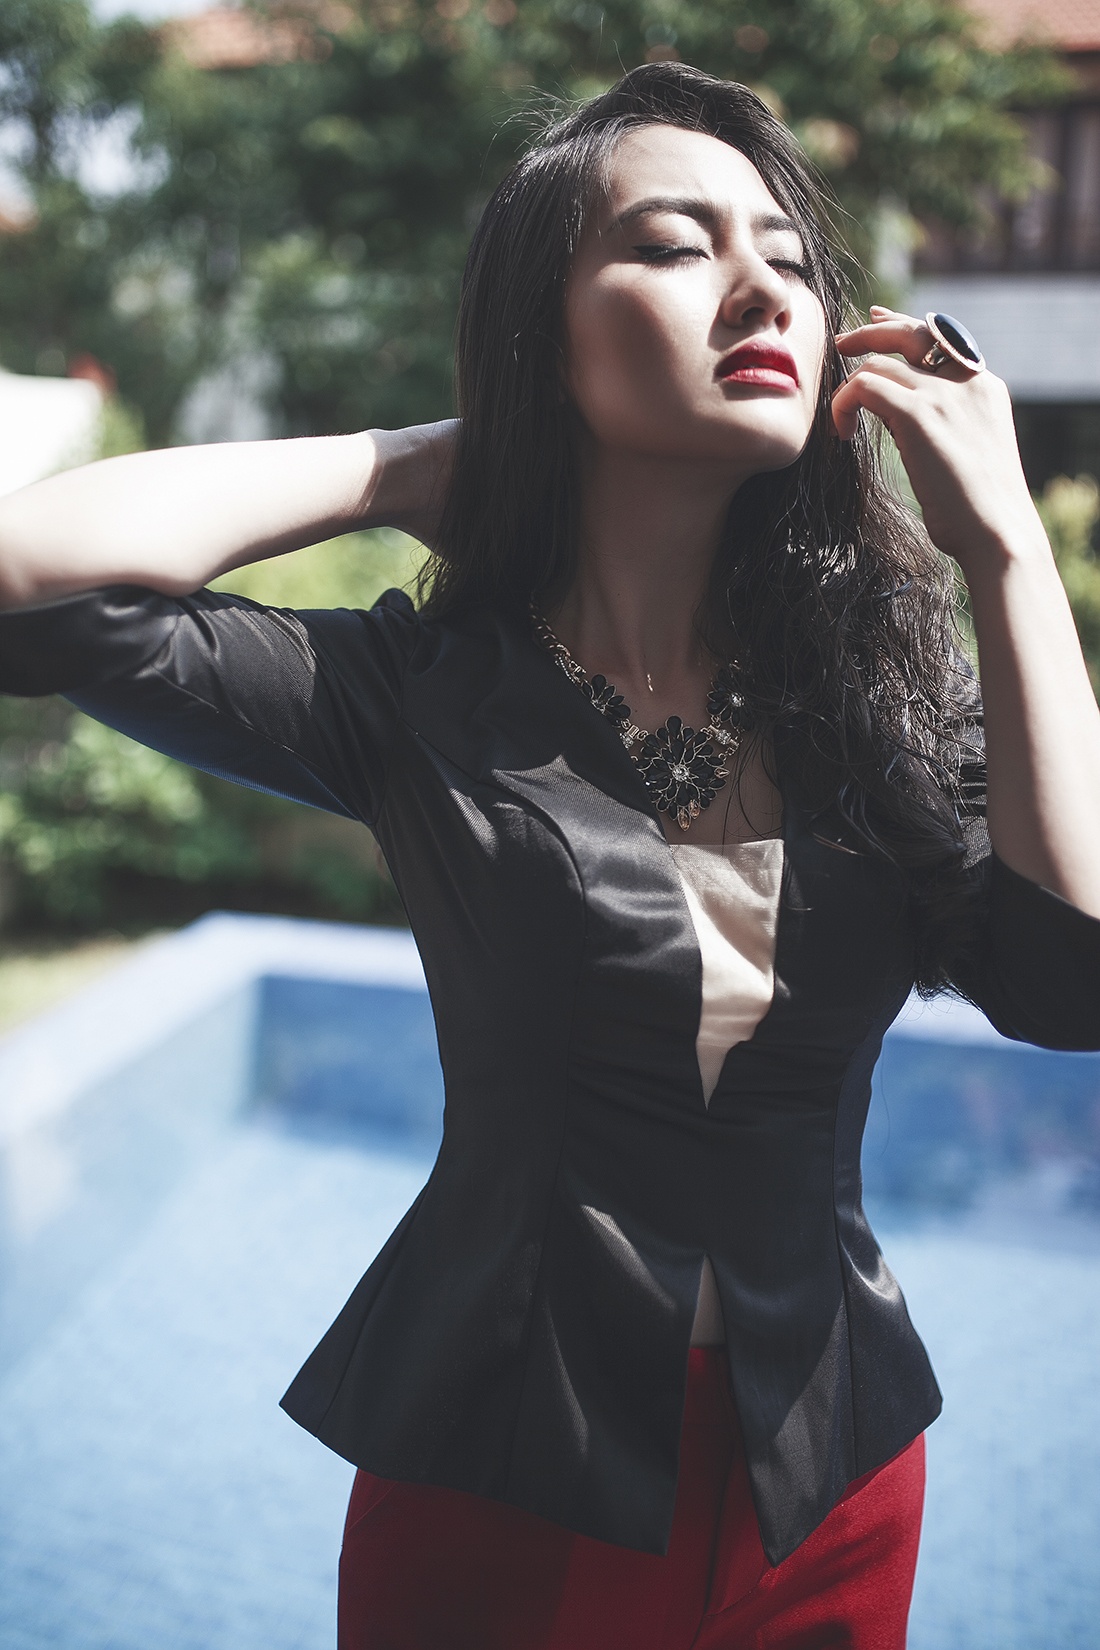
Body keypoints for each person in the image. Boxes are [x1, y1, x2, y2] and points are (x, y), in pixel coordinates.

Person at [1, 62, 1099, 1650]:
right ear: (547, 333)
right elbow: (33, 586)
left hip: (831, 1484)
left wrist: (1003, 548)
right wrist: (420, 464)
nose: (760, 288)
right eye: (675, 244)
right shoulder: (418, 695)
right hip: (505, 1475)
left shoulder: (876, 711)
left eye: (789, 258)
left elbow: (1071, 982)